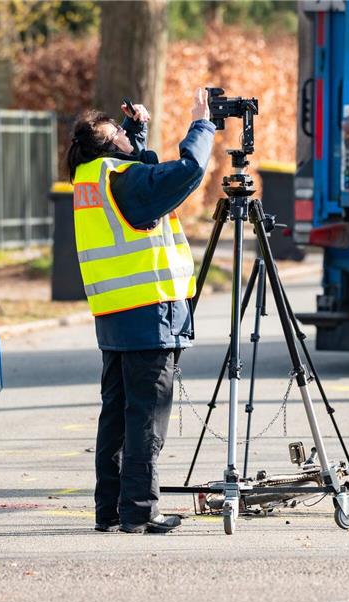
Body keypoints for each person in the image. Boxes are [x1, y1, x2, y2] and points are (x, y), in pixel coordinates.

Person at [65, 89, 215, 533]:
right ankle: (140, 510)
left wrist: (136, 133)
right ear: (113, 149)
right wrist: (201, 125)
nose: (127, 139)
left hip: (115, 314)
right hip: (150, 312)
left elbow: (136, 172)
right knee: (146, 416)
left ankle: (110, 510)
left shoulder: (90, 177)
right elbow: (187, 170)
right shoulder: (122, 179)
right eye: (120, 135)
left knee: (117, 414)